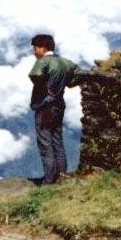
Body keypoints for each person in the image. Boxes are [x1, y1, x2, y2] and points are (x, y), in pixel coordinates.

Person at [28, 34, 80, 184]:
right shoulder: (66, 62)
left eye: (36, 48)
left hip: (45, 107)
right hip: (59, 105)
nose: (34, 52)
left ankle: (49, 180)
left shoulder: (43, 62)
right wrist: (63, 85)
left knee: (45, 143)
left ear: (43, 48)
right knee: (57, 141)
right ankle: (61, 176)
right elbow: (78, 76)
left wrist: (46, 89)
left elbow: (34, 75)